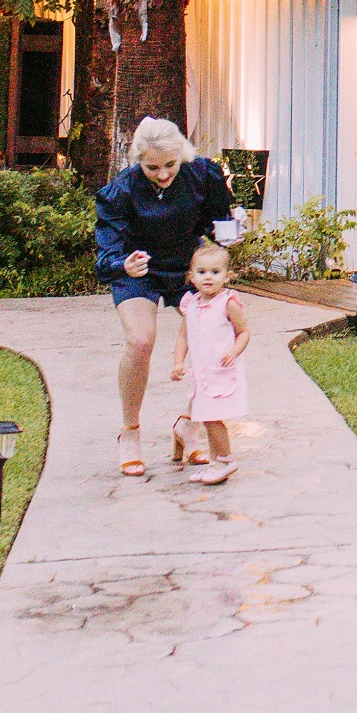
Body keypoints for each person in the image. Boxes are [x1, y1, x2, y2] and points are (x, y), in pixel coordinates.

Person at [95, 117, 235, 478]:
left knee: (214, 336)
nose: (162, 175)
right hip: (139, 267)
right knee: (141, 340)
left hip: (186, 265)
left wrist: (230, 233)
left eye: (170, 165)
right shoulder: (122, 190)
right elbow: (105, 254)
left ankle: (188, 425)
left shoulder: (202, 173)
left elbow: (218, 221)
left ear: (182, 154)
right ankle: (129, 433)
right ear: (137, 161)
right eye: (152, 167)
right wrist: (121, 263)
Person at [170, 241, 250, 486]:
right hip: (201, 375)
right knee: (205, 417)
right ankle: (215, 464)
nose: (208, 278)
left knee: (214, 419)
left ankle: (227, 459)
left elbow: (244, 332)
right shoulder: (191, 303)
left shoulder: (228, 303)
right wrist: (178, 362)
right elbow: (183, 335)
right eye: (201, 272)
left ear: (227, 276)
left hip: (221, 372)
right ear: (191, 276)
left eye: (215, 272)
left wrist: (234, 351)